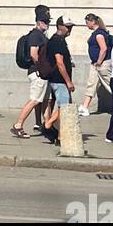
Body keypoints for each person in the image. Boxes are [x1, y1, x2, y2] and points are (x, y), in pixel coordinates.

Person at [10, 15, 50, 138]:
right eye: (45, 22)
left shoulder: (41, 35)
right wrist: (41, 68)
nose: (48, 24)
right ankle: (18, 125)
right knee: (35, 99)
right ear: (39, 23)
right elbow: (34, 54)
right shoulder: (35, 35)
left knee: (44, 101)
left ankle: (48, 125)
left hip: (42, 73)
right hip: (37, 72)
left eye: (48, 21)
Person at [43, 16, 75, 144]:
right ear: (60, 26)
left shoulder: (59, 40)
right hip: (59, 80)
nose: (70, 29)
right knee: (65, 107)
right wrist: (68, 81)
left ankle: (60, 136)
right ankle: (47, 125)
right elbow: (60, 63)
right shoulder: (57, 41)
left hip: (58, 80)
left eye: (71, 27)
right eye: (68, 27)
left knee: (64, 108)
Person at [78, 13, 112, 116]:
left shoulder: (99, 34)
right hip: (95, 64)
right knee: (91, 84)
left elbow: (104, 49)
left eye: (87, 22)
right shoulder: (97, 33)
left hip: (101, 64)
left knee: (110, 85)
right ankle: (85, 107)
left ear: (92, 22)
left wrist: (99, 62)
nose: (86, 25)